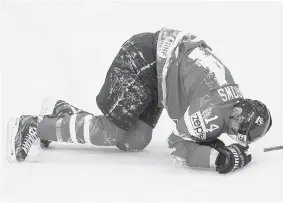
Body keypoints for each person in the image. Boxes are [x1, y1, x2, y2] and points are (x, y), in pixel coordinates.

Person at [8, 27, 272, 174]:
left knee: (136, 140)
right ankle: (33, 124)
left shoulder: (231, 99)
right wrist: (218, 159)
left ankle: (64, 115)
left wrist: (214, 145)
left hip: (160, 73)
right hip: (144, 61)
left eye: (244, 138)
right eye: (240, 131)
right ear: (238, 112)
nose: (237, 137)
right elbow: (177, 145)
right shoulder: (214, 113)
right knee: (113, 131)